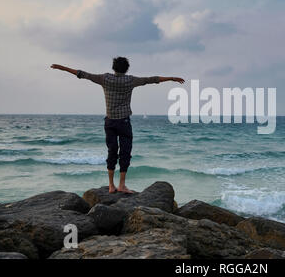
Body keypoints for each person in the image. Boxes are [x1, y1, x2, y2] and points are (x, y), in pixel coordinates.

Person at [50, 57, 185, 193]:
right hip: (124, 122)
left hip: (110, 122)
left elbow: (82, 74)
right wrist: (171, 78)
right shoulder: (131, 80)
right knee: (125, 153)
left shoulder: (105, 79)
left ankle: (110, 185)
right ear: (126, 69)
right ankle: (121, 185)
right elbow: (152, 79)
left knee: (112, 151)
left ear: (113, 67)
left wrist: (62, 67)